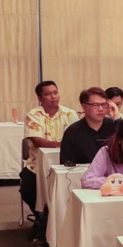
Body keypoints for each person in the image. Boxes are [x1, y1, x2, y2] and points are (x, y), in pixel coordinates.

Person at [20, 80, 80, 212]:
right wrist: (62, 144)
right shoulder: (33, 115)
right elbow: (37, 140)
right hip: (36, 165)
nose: (53, 96)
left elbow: (79, 137)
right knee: (27, 189)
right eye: (48, 94)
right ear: (40, 98)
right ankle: (40, 217)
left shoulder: (69, 114)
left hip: (67, 163)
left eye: (55, 92)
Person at [60, 87, 118, 165]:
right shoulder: (72, 131)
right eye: (95, 105)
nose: (101, 109)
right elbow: (66, 164)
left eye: (104, 104)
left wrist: (117, 119)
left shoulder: (114, 126)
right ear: (84, 106)